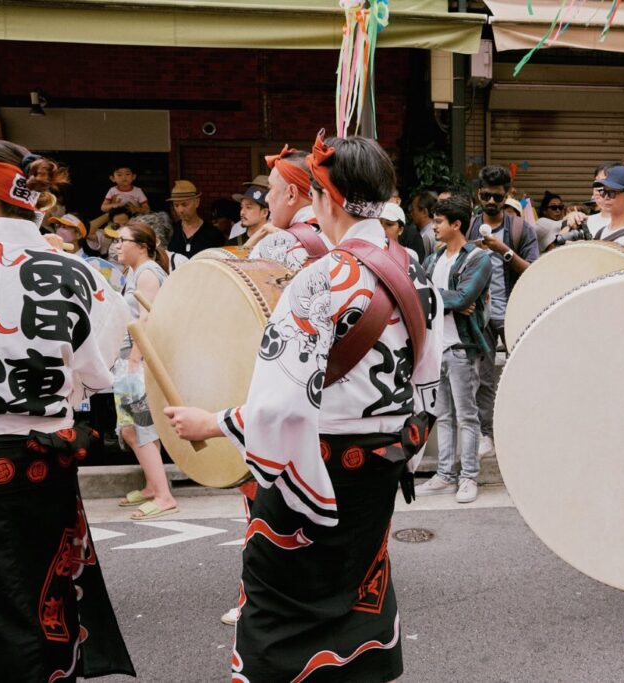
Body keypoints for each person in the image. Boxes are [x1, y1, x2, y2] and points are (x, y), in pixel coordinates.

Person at [164, 131, 443, 681]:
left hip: (319, 473)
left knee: (279, 616)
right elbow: (427, 388)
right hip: (379, 470)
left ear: (325, 199)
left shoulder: (320, 279)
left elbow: (280, 408)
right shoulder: (414, 271)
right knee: (360, 605)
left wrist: (215, 422)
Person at [0, 140, 134, 679]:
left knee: (5, 617)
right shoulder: (78, 273)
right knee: (49, 604)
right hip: (46, 458)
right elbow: (100, 373)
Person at [416, 196, 493, 503]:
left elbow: (463, 299)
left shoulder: (477, 258)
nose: (434, 227)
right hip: (436, 346)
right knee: (444, 415)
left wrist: (438, 299)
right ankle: (445, 475)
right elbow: (418, 294)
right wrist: (445, 298)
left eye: (438, 221)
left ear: (456, 224)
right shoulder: (433, 259)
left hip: (462, 346)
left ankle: (468, 476)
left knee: (467, 416)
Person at [466, 165, 540, 460]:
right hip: (479, 314)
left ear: (507, 195)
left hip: (513, 310)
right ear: (478, 194)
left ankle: (521, 430)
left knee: (519, 374)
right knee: (482, 377)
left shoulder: (522, 229)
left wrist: (503, 251)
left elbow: (534, 271)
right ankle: (487, 433)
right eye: (486, 196)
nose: (491, 202)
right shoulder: (469, 227)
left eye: (497, 197)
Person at [113, 220, 178, 519]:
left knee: (139, 425)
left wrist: (134, 361)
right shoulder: (138, 272)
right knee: (129, 426)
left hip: (139, 359)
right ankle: (153, 486)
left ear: (141, 246)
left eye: (122, 240)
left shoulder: (149, 273)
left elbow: (147, 321)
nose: (116, 245)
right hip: (131, 356)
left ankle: (164, 495)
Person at [246, 145, 332, 268]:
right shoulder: (342, 233)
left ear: (291, 194)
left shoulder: (271, 247)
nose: (266, 198)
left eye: (270, 189)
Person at [166, 180, 225, 258]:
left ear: (197, 202)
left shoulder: (213, 234)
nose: (180, 210)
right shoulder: (170, 231)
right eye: (176, 205)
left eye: (184, 204)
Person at [227, 183, 270, 247]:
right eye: (241, 207)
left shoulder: (275, 242)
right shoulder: (233, 243)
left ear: (264, 213)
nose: (242, 212)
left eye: (248, 207)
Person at [409, 190, 438, 258]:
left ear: (424, 212)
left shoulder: (427, 235)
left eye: (413, 210)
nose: (411, 213)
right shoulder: (431, 231)